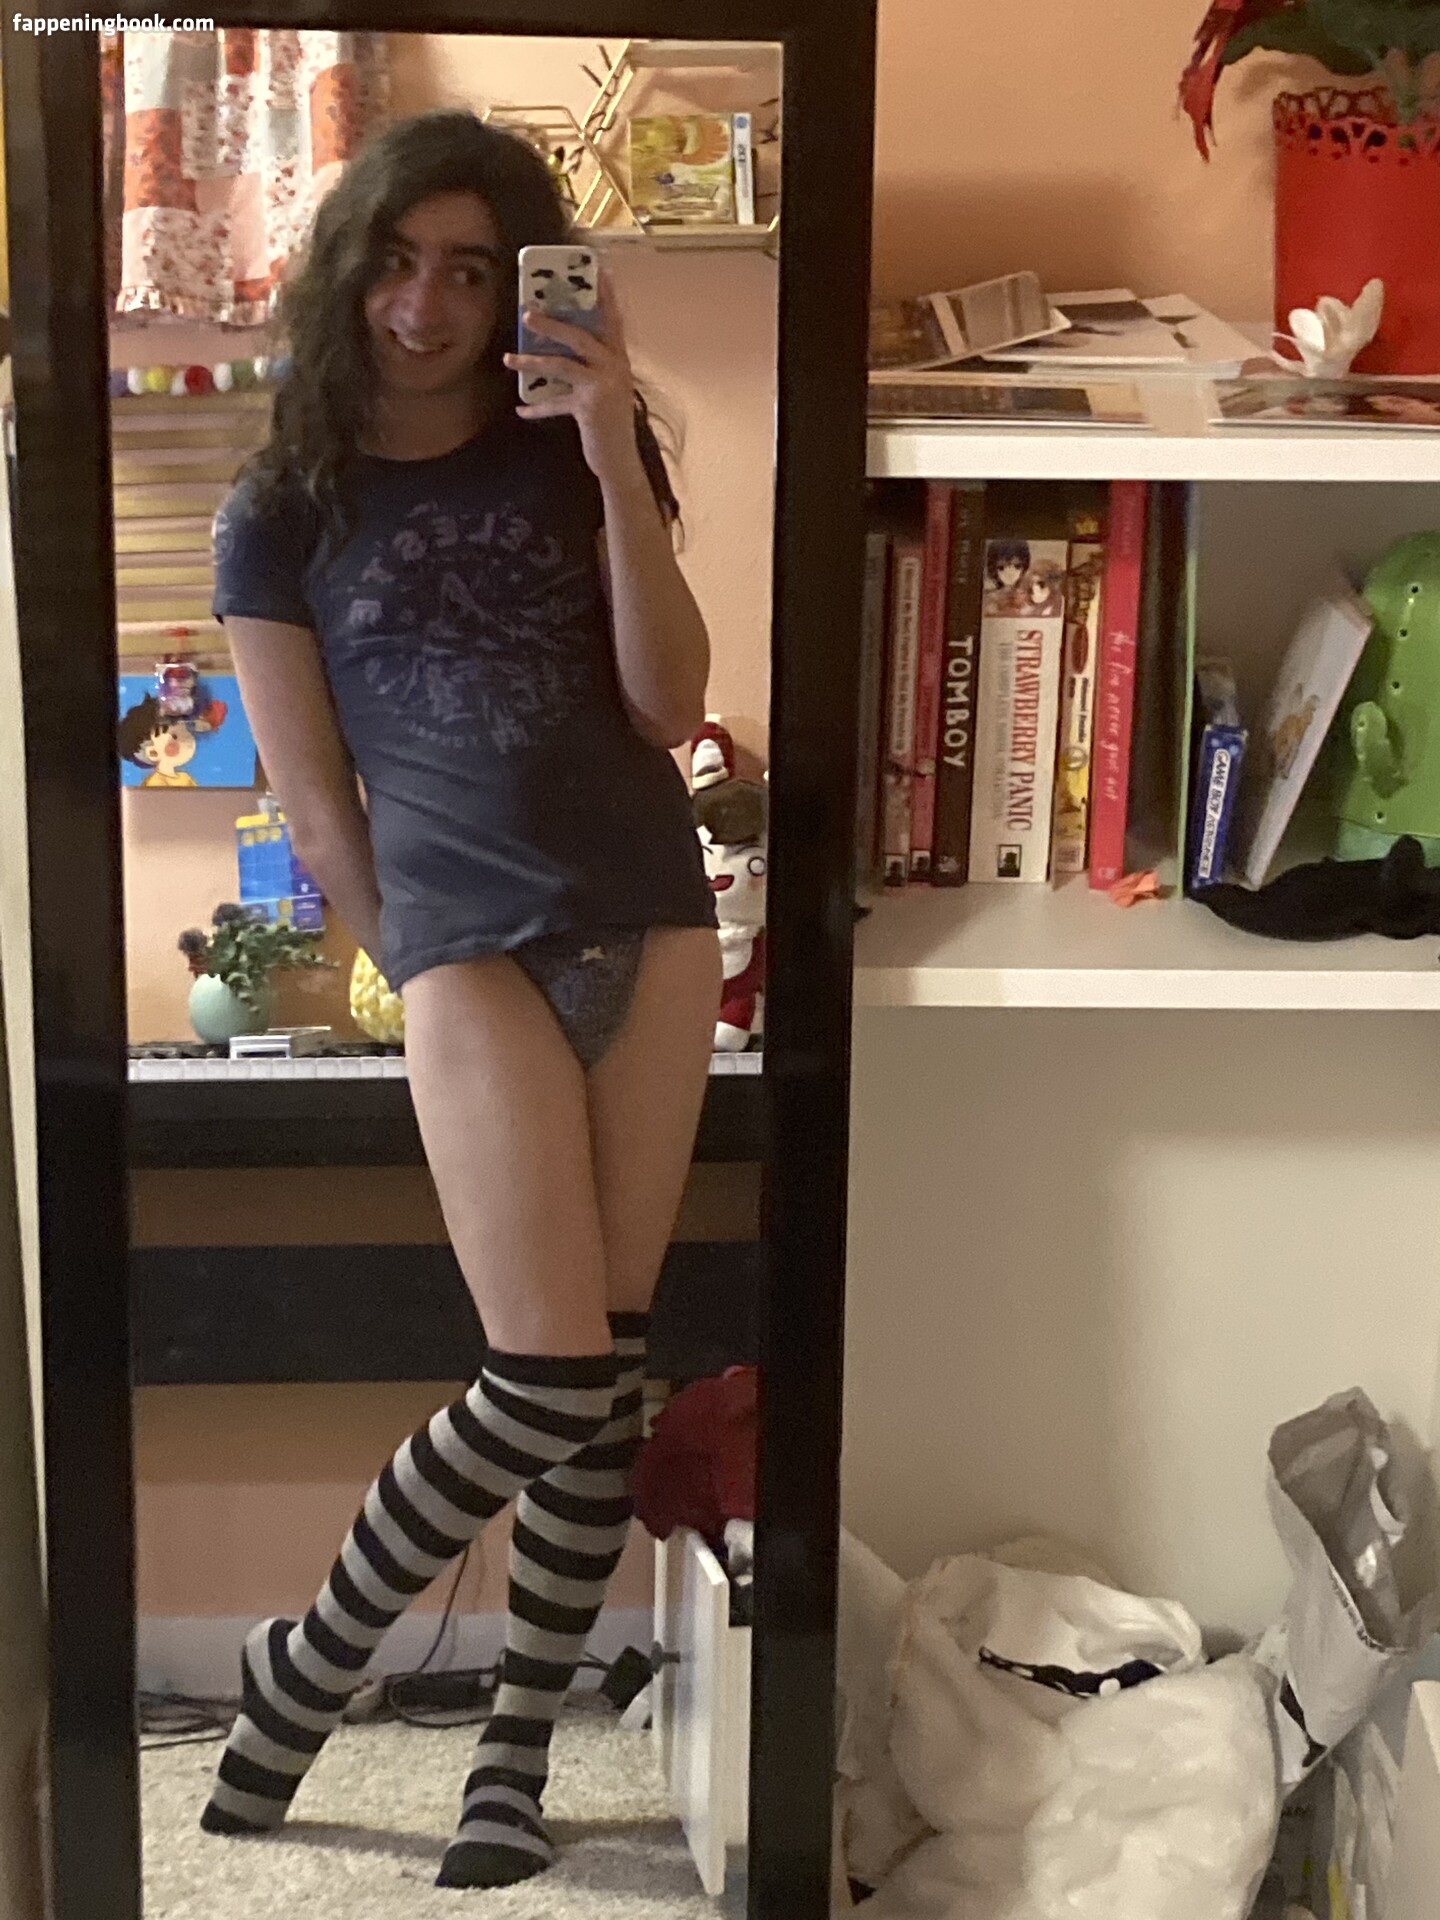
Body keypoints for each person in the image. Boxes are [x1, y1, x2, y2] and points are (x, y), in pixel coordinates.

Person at [199, 109, 722, 1892]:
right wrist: (413, 955)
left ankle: (515, 1752)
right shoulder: (279, 513)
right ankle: (309, 1665)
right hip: (467, 947)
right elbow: (316, 806)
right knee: (545, 1374)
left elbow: (668, 704)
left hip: (650, 918)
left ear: (518, 294)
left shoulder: (575, 448)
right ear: (350, 271)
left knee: (606, 1375)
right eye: (399, 262)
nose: (425, 306)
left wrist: (611, 449)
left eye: (473, 272)